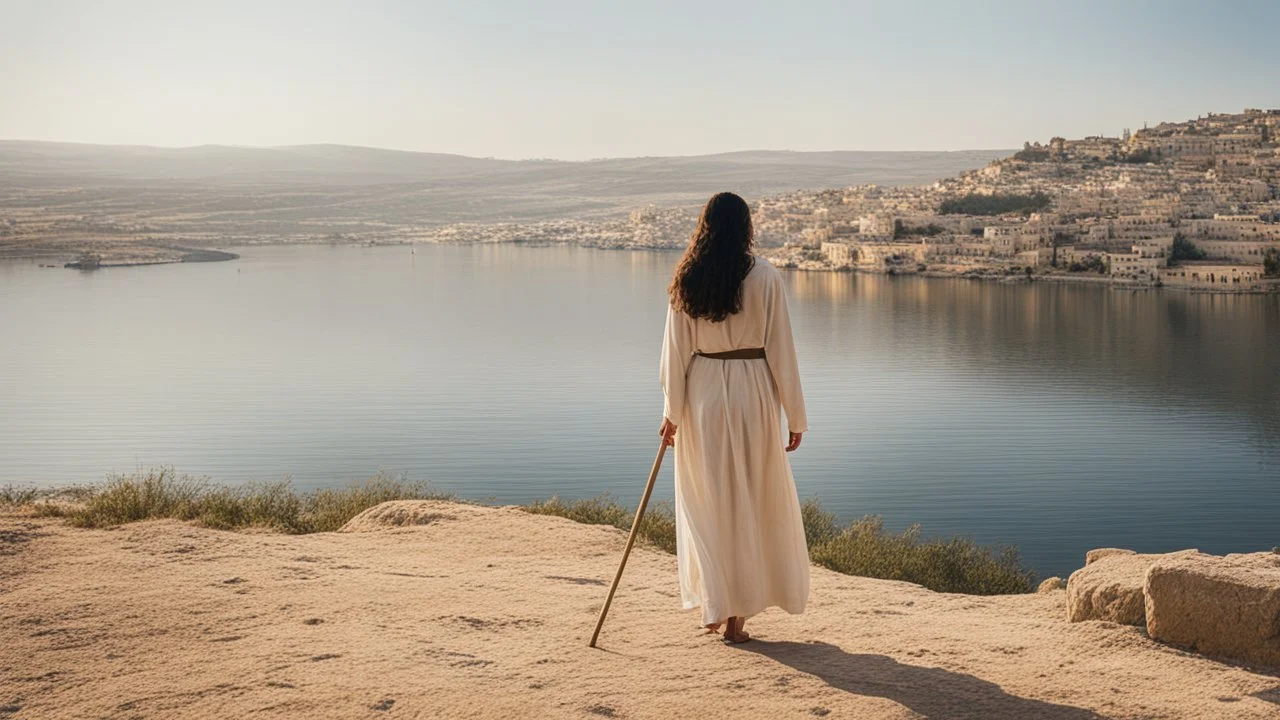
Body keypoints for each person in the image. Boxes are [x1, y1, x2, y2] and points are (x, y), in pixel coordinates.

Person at [658, 191, 810, 644]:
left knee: (707, 499)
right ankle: (734, 619)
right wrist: (795, 415)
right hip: (753, 393)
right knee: (750, 497)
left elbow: (674, 353)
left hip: (702, 393)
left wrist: (672, 411)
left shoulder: (687, 277)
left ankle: (715, 601)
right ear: (745, 226)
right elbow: (782, 349)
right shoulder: (764, 276)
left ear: (704, 225)